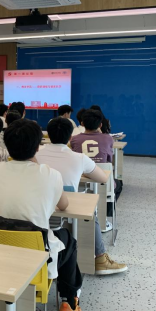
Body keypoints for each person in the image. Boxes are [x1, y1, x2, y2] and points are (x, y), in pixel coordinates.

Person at [0, 119, 83, 311]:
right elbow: (64, 205)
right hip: (35, 259)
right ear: (37, 147)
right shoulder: (50, 175)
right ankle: (69, 304)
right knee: (68, 240)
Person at [36, 118, 127, 276]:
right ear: (70, 137)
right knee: (91, 208)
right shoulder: (79, 158)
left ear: (48, 135)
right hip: (66, 210)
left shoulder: (35, 154)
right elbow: (103, 178)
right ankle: (100, 258)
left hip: (38, 209)